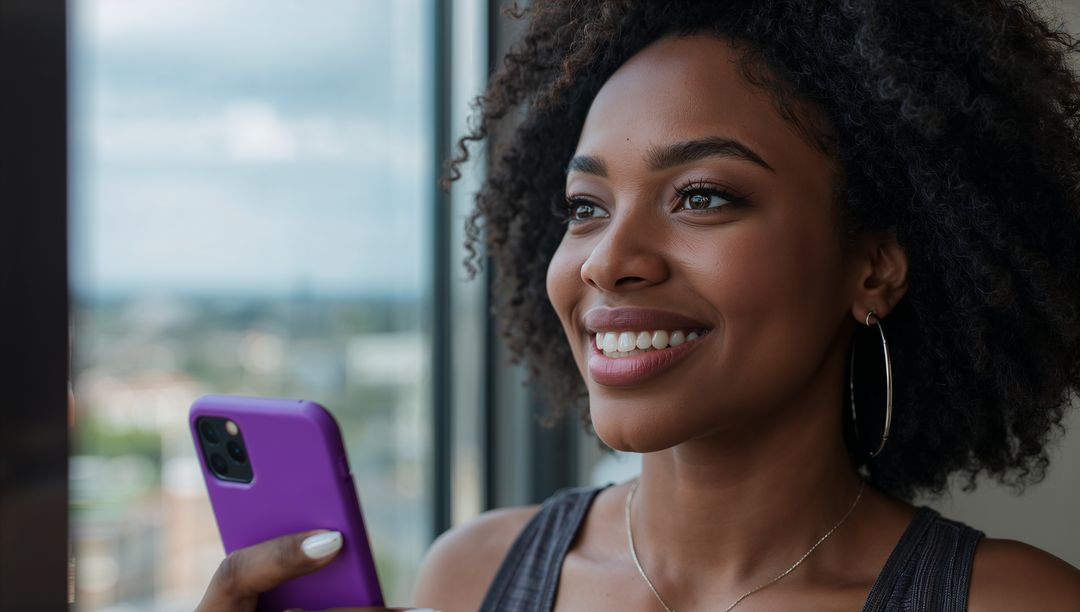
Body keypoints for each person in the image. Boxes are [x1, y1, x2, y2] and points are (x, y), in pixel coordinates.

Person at [196, 1, 1080, 610]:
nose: (609, 261)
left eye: (701, 196)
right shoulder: (472, 577)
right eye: (585, 209)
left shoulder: (1014, 602)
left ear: (874, 270)